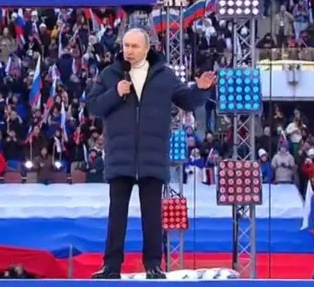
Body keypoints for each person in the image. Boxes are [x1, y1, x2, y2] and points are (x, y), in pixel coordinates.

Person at [86, 28, 217, 279]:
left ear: (147, 49)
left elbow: (187, 101)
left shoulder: (164, 76)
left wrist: (200, 89)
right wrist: (115, 92)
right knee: (116, 216)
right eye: (126, 45)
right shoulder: (110, 74)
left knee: (152, 217)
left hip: (153, 156)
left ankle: (154, 265)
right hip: (120, 157)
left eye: (134, 46)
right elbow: (93, 106)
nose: (129, 51)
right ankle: (111, 266)